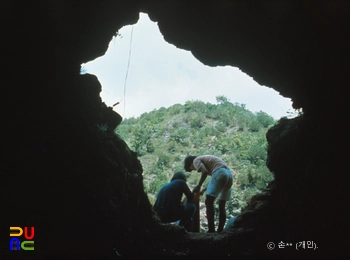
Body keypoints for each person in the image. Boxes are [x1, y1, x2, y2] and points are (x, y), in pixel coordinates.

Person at [184, 155, 233, 233]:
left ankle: (211, 230)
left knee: (208, 202)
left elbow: (204, 172)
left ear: (190, 164)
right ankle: (220, 231)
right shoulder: (211, 162)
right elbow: (216, 179)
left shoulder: (196, 160)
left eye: (192, 168)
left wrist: (199, 185)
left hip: (220, 173)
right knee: (222, 206)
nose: (196, 170)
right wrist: (204, 190)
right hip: (229, 175)